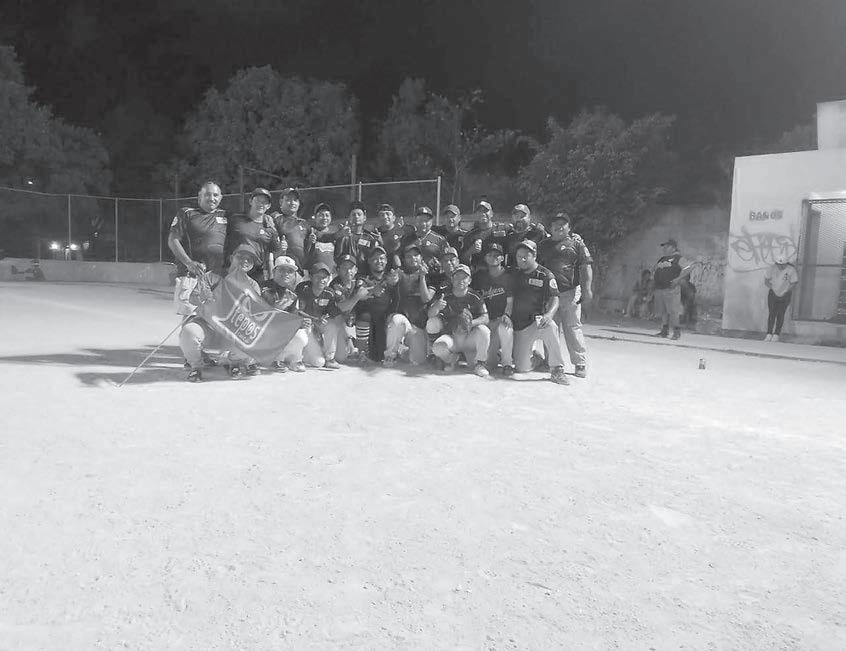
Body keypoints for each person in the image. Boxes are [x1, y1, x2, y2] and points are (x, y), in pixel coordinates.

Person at [178, 245, 263, 381]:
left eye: (250, 259)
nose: (245, 261)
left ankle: (234, 362)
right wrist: (202, 298)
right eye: (241, 257)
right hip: (208, 328)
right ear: (232, 258)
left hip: (232, 332)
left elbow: (255, 314)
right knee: (189, 331)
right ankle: (196, 366)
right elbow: (192, 298)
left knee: (251, 336)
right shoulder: (211, 276)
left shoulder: (253, 286)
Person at [537, 212, 593, 378]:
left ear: (569, 228)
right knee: (550, 328)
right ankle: (550, 361)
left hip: (571, 292)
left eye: (563, 224)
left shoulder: (577, 244)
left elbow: (586, 266)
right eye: (556, 224)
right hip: (549, 295)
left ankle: (580, 363)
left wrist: (587, 289)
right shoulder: (542, 245)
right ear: (550, 227)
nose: (559, 227)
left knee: (572, 328)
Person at [509, 240, 569, 385]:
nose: (522, 260)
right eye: (519, 257)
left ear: (534, 255)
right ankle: (536, 358)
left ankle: (557, 369)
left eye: (526, 256)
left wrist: (549, 314)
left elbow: (555, 298)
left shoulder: (545, 275)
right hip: (520, 326)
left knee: (551, 327)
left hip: (537, 322)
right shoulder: (514, 274)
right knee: (522, 368)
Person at [168, 180, 228, 315]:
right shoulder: (187, 213)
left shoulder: (226, 216)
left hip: (217, 279)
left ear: (221, 198)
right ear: (199, 196)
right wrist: (188, 263)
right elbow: (172, 240)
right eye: (207, 194)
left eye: (215, 195)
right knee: (192, 319)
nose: (211, 198)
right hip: (192, 277)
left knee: (216, 319)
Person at [427, 264, 491, 377]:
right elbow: (430, 315)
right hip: (452, 336)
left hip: (469, 337)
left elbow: (485, 318)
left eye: (464, 277)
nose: (460, 280)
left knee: (484, 330)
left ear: (469, 280)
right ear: (452, 279)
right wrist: (436, 307)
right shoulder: (445, 295)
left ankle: (480, 364)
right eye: (457, 277)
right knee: (438, 347)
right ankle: (452, 359)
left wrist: (471, 323)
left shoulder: (475, 296)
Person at [383, 244, 434, 366]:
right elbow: (390, 283)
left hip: (418, 326)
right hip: (401, 321)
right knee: (397, 320)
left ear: (421, 257)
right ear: (404, 259)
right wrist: (391, 281)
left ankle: (402, 351)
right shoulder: (399, 273)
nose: (413, 258)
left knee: (418, 360)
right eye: (409, 256)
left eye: (416, 255)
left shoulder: (430, 277)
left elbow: (426, 298)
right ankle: (390, 355)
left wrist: (422, 277)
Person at [471, 242, 515, 376]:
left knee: (506, 328)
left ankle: (507, 363)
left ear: (502, 258)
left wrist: (507, 315)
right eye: (489, 255)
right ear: (485, 258)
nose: (493, 257)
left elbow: (510, 301)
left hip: (501, 319)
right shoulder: (479, 276)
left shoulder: (508, 276)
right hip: (486, 321)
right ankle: (496, 355)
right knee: (491, 364)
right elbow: (474, 300)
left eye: (497, 255)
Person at [259, 256, 309, 372]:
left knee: (302, 334)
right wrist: (276, 310)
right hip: (261, 332)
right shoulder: (263, 288)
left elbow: (293, 318)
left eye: (290, 271)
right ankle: (276, 359)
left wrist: (301, 323)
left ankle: (295, 359)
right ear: (274, 272)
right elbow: (258, 316)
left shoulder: (292, 293)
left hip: (281, 331)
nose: (286, 274)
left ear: (294, 275)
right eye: (282, 270)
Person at [353, 245, 399, 362]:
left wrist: (395, 284)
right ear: (369, 261)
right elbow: (359, 292)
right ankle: (362, 352)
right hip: (367, 319)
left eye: (382, 258)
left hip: (383, 319)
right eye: (375, 259)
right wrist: (372, 290)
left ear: (386, 260)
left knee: (378, 356)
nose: (379, 261)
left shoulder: (392, 277)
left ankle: (393, 352)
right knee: (364, 316)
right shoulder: (363, 277)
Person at [224, 187, 281, 282]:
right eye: (257, 200)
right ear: (250, 201)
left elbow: (274, 252)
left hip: (257, 275)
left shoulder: (270, 228)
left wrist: (271, 276)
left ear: (269, 206)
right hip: (235, 271)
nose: (261, 204)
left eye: (264, 202)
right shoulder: (235, 219)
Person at [295, 263, 341, 368]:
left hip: (318, 328)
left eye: (324, 277)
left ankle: (330, 358)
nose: (321, 280)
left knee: (332, 326)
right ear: (311, 277)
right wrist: (315, 319)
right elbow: (297, 311)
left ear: (328, 278)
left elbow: (333, 314)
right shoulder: (302, 288)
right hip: (304, 327)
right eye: (318, 276)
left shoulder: (329, 293)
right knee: (318, 362)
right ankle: (299, 355)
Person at [652, 238, 692, 340]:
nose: (664, 248)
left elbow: (687, 269)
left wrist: (677, 279)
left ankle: (676, 332)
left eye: (667, 246)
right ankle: (664, 331)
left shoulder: (678, 258)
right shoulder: (662, 259)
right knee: (663, 311)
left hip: (671, 289)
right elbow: (654, 269)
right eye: (664, 247)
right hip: (660, 288)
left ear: (673, 248)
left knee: (673, 311)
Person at [334, 200, 383, 273]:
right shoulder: (344, 237)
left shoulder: (370, 238)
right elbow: (337, 257)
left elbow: (376, 258)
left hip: (366, 275)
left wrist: (380, 242)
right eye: (353, 215)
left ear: (364, 217)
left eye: (359, 214)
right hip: (349, 274)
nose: (356, 217)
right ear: (349, 218)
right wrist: (340, 236)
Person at [460, 200, 508, 270]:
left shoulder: (502, 230)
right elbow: (462, 260)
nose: (482, 214)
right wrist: (471, 251)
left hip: (498, 273)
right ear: (475, 215)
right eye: (479, 211)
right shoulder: (470, 236)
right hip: (478, 273)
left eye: (485, 211)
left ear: (492, 213)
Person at [271, 187, 310, 268]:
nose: (292, 203)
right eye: (288, 200)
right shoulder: (274, 220)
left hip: (300, 269)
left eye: (295, 200)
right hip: (283, 268)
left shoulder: (304, 223)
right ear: (281, 202)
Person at [763, 254, 798, 341]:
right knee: (772, 313)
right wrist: (773, 289)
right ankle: (769, 333)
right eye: (779, 264)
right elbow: (766, 281)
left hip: (785, 295)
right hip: (773, 294)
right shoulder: (772, 268)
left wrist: (786, 291)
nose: (780, 266)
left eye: (783, 264)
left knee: (781, 314)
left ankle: (776, 334)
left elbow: (794, 282)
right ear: (776, 263)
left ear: (786, 263)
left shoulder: (791, 270)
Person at [401, 206, 447, 271]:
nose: (423, 224)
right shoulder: (407, 239)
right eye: (420, 220)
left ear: (432, 221)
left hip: (433, 275)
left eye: (426, 221)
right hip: (411, 275)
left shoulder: (440, 240)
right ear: (415, 220)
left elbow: (446, 260)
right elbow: (400, 256)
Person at [302, 202, 338, 273]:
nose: (324, 218)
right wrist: (309, 242)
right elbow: (304, 254)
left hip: (330, 274)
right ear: (315, 217)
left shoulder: (335, 233)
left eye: (327, 215)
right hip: (313, 274)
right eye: (321, 215)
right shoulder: (309, 232)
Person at [375, 203, 411, 268]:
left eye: (388, 214)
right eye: (382, 215)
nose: (385, 217)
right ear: (378, 218)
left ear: (394, 218)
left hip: (400, 269)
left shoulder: (401, 232)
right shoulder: (375, 233)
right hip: (382, 268)